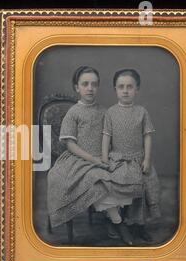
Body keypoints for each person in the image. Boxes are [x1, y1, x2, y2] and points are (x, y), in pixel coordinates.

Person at [47, 66, 142, 244]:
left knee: (125, 173)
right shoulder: (73, 113)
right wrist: (92, 160)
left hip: (104, 155)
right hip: (79, 159)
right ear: (77, 87)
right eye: (85, 84)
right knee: (98, 178)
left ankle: (115, 218)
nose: (90, 88)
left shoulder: (105, 111)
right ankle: (118, 223)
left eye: (94, 84)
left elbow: (112, 137)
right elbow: (69, 144)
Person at [100, 68, 161, 244]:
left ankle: (140, 226)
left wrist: (147, 159)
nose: (125, 90)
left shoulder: (142, 112)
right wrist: (105, 159)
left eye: (130, 87)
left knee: (146, 185)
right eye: (121, 87)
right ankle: (117, 222)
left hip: (138, 159)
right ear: (115, 89)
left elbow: (147, 135)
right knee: (121, 186)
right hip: (118, 160)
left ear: (137, 89)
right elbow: (106, 136)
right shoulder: (110, 113)